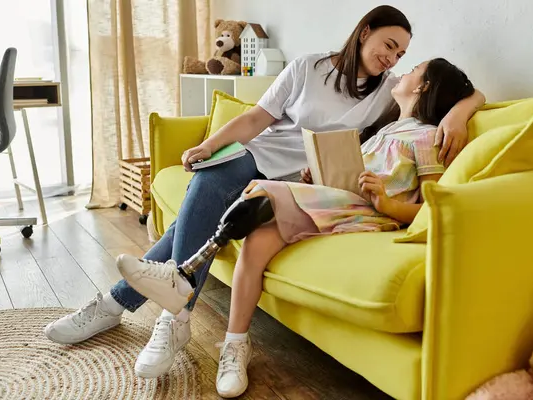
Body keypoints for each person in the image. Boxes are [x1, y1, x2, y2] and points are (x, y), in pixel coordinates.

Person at [43, 4, 485, 382]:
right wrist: (210, 144)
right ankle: (173, 314)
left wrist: (461, 113)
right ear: (364, 32)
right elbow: (257, 118)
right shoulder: (307, 68)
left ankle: (118, 304)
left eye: (402, 54)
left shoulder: (391, 92)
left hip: (298, 181)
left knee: (200, 221)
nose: (392, 59)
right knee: (210, 180)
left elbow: (464, 92)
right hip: (257, 157)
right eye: (388, 46)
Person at [120, 57, 476, 398]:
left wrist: (388, 204)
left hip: (367, 215)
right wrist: (315, 175)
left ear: (423, 86)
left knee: (260, 192)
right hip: (340, 202)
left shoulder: (429, 137)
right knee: (257, 238)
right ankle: (235, 345)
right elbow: (351, 179)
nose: (402, 67)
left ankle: (180, 277)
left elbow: (432, 205)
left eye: (412, 67)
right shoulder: (384, 131)